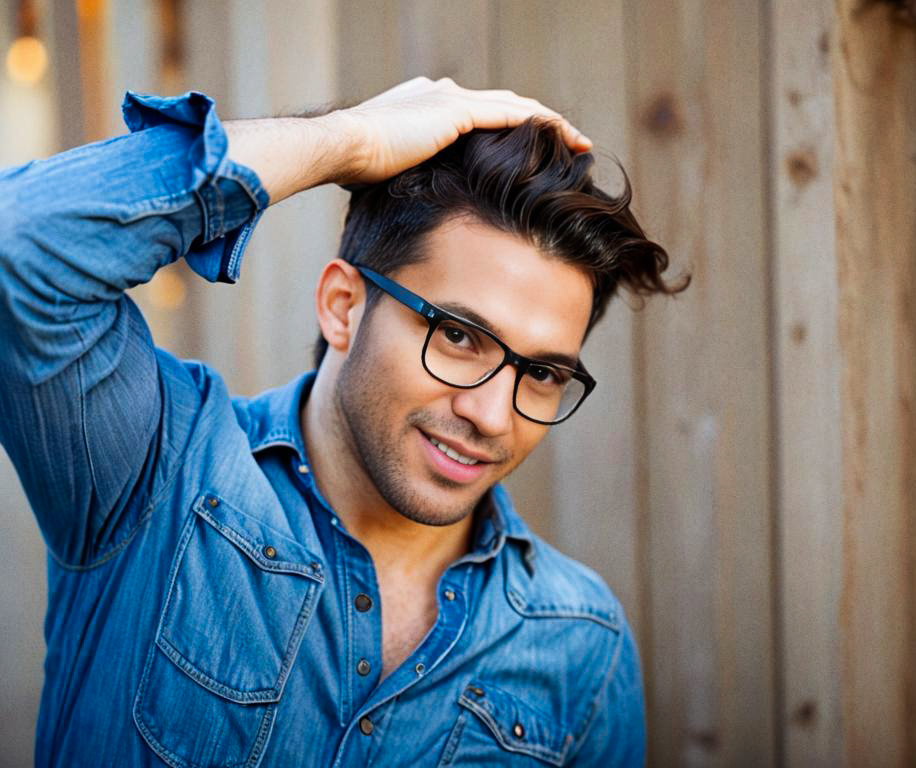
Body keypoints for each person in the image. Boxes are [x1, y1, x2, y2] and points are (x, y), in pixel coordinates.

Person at [0, 76, 686, 766]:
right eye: (455, 335)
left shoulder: (581, 647)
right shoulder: (156, 471)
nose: (489, 414)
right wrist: (345, 140)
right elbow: (18, 241)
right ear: (342, 306)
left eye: (539, 374)